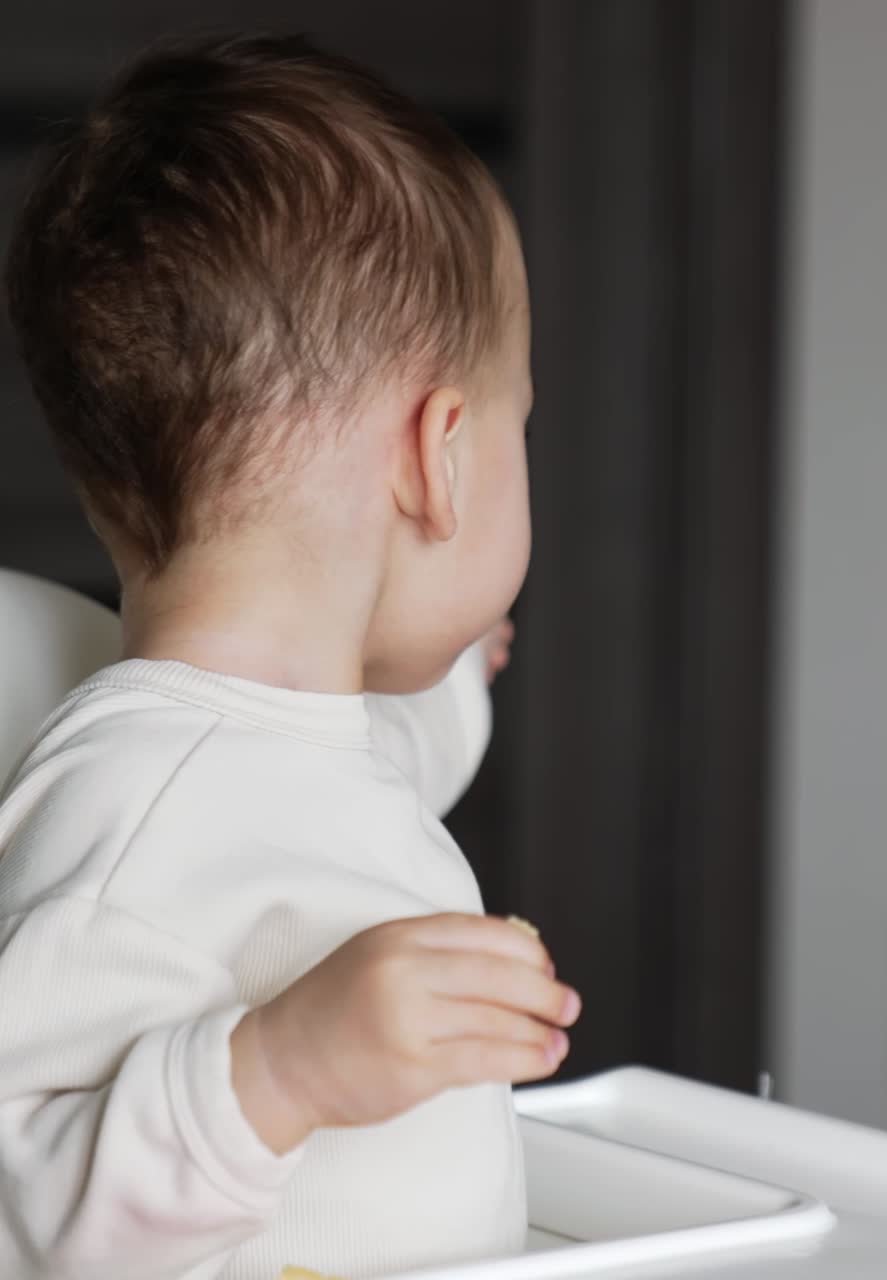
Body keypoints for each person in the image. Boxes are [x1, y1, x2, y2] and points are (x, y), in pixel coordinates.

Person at [0, 32, 578, 1280]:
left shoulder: (292, 747)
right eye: (520, 421)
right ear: (441, 458)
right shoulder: (128, 813)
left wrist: (457, 669)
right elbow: (23, 1208)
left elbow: (353, 786)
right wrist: (279, 1065)